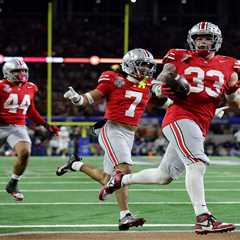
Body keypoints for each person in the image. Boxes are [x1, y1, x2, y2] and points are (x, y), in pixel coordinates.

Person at [99, 22, 240, 234]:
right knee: (197, 162)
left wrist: (225, 107)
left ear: (216, 41)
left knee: (163, 176)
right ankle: (203, 218)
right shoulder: (179, 55)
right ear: (192, 39)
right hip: (180, 116)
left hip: (201, 121)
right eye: (199, 37)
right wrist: (157, 84)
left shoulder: (230, 64)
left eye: (207, 37)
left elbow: (234, 99)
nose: (202, 40)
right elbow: (167, 72)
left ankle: (120, 179)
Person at [56, 48, 158, 230]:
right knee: (124, 170)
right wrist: (77, 99)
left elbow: (163, 102)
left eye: (148, 66)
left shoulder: (147, 84)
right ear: (130, 64)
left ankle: (74, 164)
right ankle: (124, 216)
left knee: (108, 178)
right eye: (142, 65)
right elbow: (91, 97)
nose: (146, 70)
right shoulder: (114, 78)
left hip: (129, 134)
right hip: (112, 129)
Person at [0, 57, 59, 201]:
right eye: (17, 71)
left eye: (23, 70)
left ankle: (13, 184)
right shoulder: (1, 86)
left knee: (25, 152)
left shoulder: (30, 87)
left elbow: (31, 111)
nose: (21, 74)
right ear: (7, 72)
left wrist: (46, 125)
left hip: (18, 127)